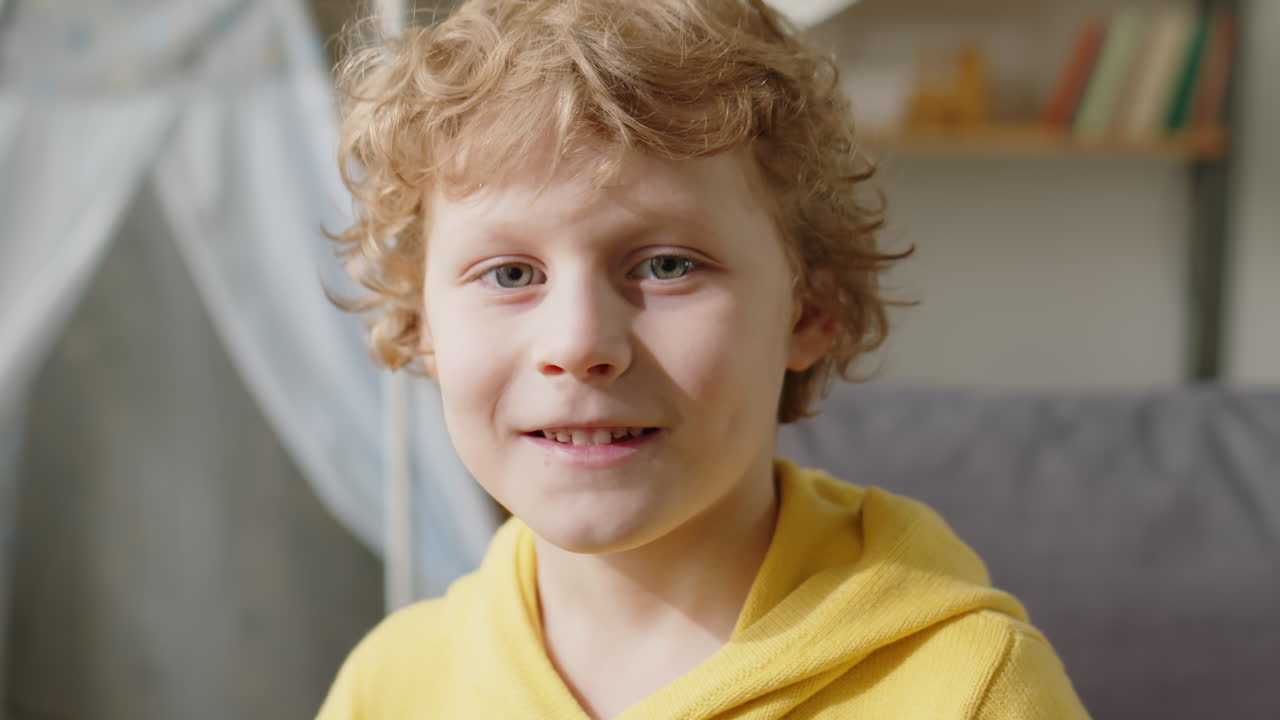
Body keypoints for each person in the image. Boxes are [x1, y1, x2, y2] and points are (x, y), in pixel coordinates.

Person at [317, 0, 1090, 717]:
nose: (580, 345)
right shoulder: (389, 688)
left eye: (665, 266)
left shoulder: (973, 690)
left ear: (810, 307)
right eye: (512, 275)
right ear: (424, 323)